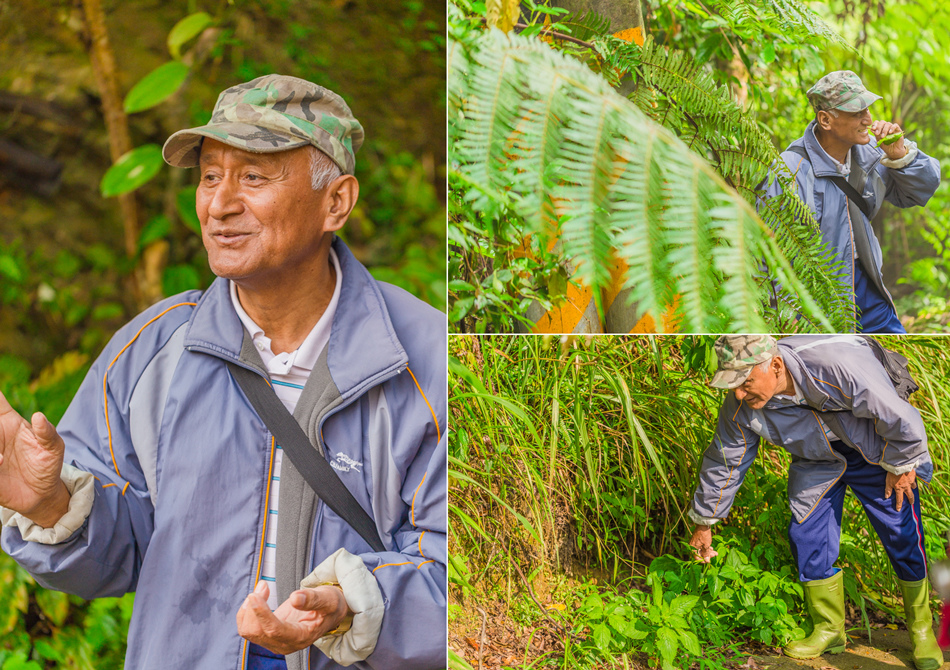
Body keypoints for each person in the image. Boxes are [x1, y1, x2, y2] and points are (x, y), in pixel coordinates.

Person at [0, 74, 447, 670]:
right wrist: (51, 503)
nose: (219, 203)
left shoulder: (425, 360)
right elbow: (119, 551)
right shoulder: (156, 349)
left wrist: (351, 604)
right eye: (210, 175)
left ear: (335, 202)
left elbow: (466, 573)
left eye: (254, 176)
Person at [687, 334, 942, 670]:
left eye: (745, 381)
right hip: (816, 459)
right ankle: (828, 628)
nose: (738, 393)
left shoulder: (838, 365)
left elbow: (899, 417)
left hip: (877, 452)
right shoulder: (741, 404)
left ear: (775, 366)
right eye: (732, 384)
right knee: (806, 534)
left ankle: (922, 629)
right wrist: (705, 521)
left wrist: (904, 465)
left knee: (901, 533)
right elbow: (725, 460)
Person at [761, 70, 940, 333]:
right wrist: (788, 315)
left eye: (867, 109)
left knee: (896, 358)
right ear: (825, 120)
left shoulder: (872, 153)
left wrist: (900, 155)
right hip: (816, 299)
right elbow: (769, 253)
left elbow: (923, 188)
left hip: (868, 286)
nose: (868, 119)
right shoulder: (789, 170)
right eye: (857, 112)